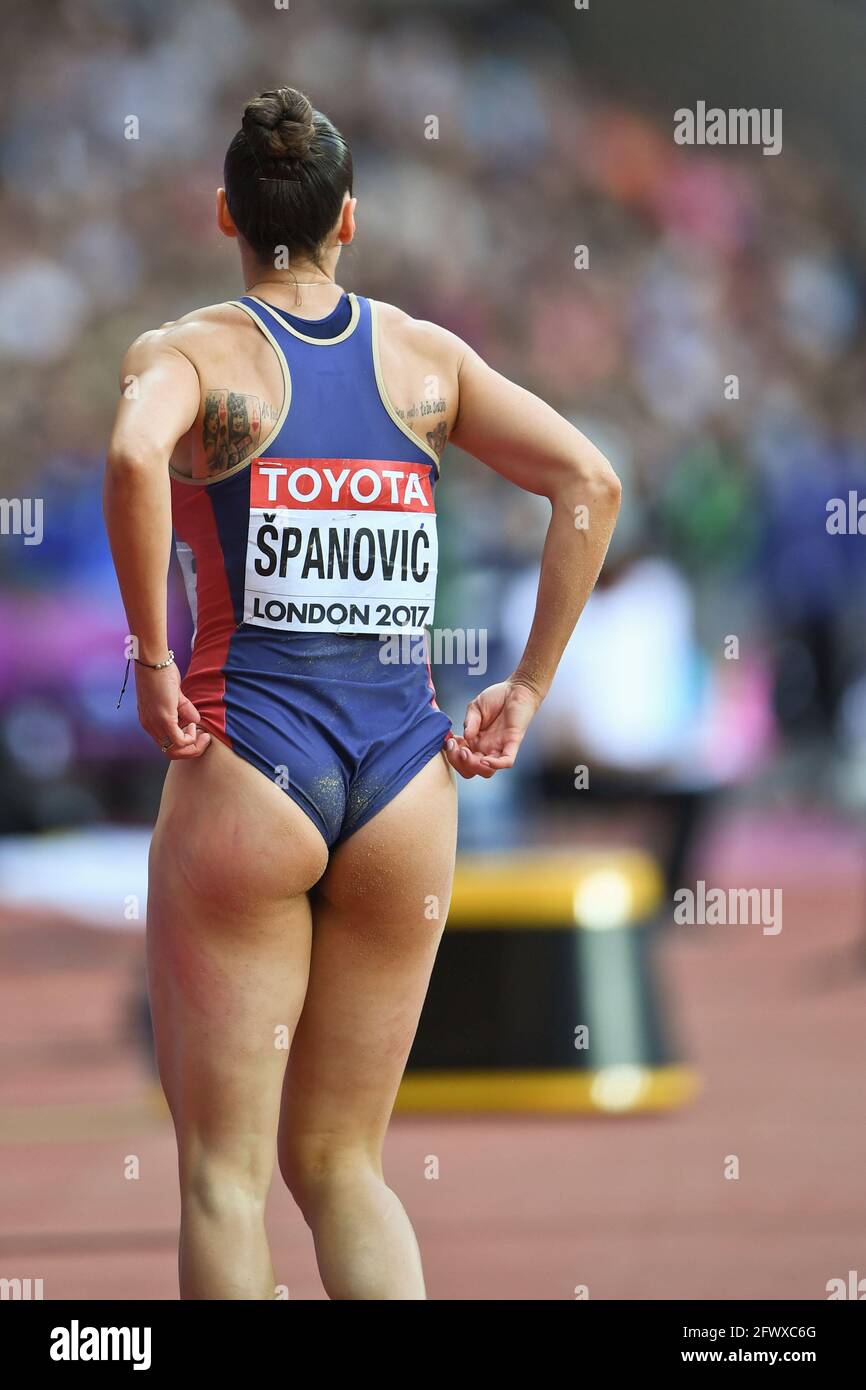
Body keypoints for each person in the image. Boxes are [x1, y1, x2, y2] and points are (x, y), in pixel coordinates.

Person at [103, 86, 621, 1300]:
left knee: (225, 1175)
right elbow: (587, 478)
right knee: (344, 1164)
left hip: (248, 766)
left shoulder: (187, 354)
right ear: (350, 223)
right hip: (405, 782)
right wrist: (530, 687)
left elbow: (134, 453)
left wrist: (149, 655)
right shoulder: (425, 360)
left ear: (225, 212)